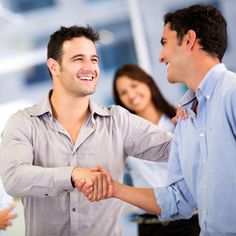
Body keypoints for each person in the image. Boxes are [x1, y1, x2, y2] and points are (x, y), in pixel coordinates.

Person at [0, 25, 172, 236]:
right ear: (54, 67)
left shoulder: (118, 121)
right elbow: (14, 178)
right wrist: (72, 174)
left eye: (94, 59)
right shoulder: (23, 123)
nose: (90, 67)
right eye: (78, 59)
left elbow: (173, 149)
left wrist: (197, 120)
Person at [79, 4, 236, 235]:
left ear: (189, 40)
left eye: (164, 43)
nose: (161, 57)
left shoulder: (231, 93)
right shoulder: (186, 120)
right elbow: (179, 198)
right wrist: (113, 189)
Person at [113, 64, 200, 236]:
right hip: (149, 225)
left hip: (190, 221)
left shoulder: (180, 120)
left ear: (148, 83)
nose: (131, 95)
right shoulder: (122, 137)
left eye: (134, 85)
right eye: (123, 92)